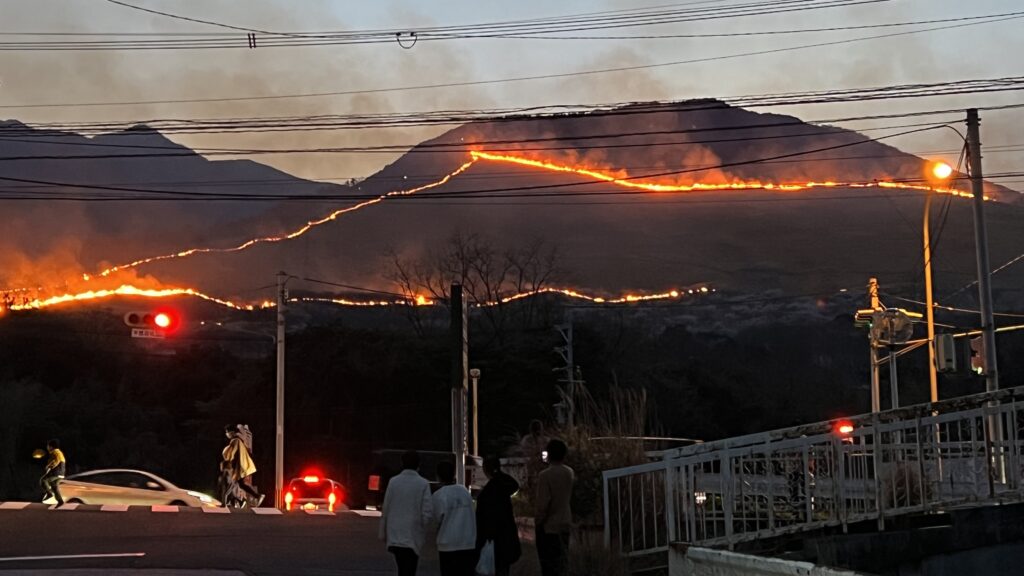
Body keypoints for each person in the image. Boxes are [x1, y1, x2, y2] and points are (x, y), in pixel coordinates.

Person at [379, 450, 433, 576]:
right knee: (410, 567)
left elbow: (386, 507)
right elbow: (427, 512)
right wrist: (424, 528)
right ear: (418, 464)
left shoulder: (393, 481)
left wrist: (383, 531)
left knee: (401, 566)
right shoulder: (423, 483)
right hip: (413, 533)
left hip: (395, 532)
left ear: (402, 463)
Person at [476, 456, 522, 576]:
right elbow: (514, 484)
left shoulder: (486, 494)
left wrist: (478, 544)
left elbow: (481, 521)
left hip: (492, 538)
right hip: (507, 534)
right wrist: (498, 473)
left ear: (485, 469)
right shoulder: (504, 487)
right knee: (504, 568)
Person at [535, 439, 573, 576]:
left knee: (548, 565)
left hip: (549, 526)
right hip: (565, 521)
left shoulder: (545, 476)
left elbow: (543, 504)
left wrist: (538, 521)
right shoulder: (569, 472)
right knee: (562, 563)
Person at [432, 461, 476, 576]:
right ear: (454, 474)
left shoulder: (438, 495)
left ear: (438, 476)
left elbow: (436, 519)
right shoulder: (464, 491)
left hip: (447, 544)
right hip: (468, 542)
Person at [221, 424, 264, 507]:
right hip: (241, 467)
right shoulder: (238, 440)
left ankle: (225, 503)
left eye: (227, 432)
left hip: (239, 467)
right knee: (240, 484)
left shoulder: (235, 441)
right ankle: (256, 496)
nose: (227, 434)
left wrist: (229, 463)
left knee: (233, 484)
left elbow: (232, 455)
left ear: (232, 432)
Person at [519, 420, 550, 493]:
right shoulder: (527, 440)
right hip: (531, 465)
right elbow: (525, 453)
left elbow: (546, 452)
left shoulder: (545, 440)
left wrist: (544, 460)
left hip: (541, 466)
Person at [40, 439, 65, 505]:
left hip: (56, 472)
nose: (47, 447)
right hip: (61, 473)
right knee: (54, 487)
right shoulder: (59, 452)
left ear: (51, 446)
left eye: (48, 446)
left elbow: (56, 461)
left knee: (43, 480)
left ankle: (49, 493)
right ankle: (60, 501)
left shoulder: (55, 452)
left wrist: (49, 467)